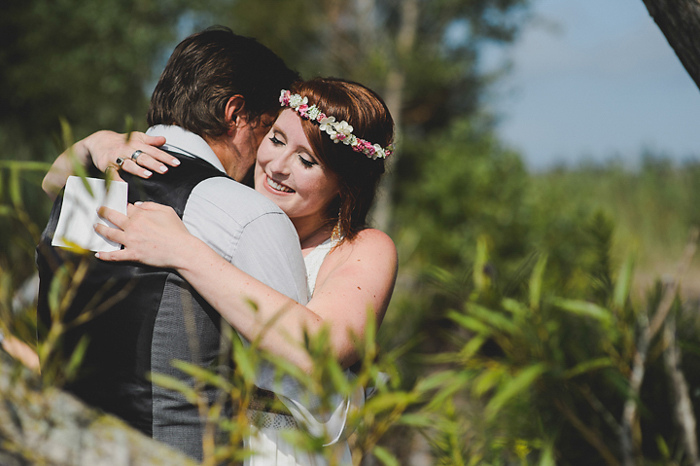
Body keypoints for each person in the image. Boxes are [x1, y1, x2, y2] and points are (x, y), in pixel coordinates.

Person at [53, 77, 399, 465]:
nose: (277, 166)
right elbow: (55, 198)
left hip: (282, 450)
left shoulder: (364, 247)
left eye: (307, 161)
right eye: (277, 139)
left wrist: (185, 253)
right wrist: (93, 144)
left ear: (344, 185)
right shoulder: (224, 202)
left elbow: (317, 352)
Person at [36, 26, 307, 462]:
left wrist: (91, 144)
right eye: (269, 130)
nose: (266, 157)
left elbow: (52, 188)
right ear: (235, 114)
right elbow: (299, 370)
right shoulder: (245, 211)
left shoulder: (87, 189)